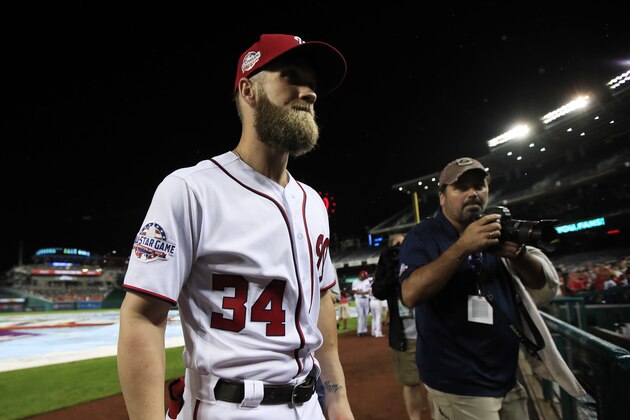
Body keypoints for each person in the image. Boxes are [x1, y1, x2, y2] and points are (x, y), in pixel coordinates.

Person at [117, 33, 354, 420]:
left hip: (309, 404)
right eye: (290, 76)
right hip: (228, 406)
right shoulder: (191, 189)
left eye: (312, 84)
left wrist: (338, 399)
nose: (308, 92)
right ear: (248, 90)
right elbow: (143, 315)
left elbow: (323, 298)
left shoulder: (313, 202)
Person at [399, 157, 586, 420]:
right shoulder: (424, 235)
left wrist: (519, 255)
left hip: (507, 375)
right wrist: (463, 247)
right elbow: (410, 294)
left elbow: (542, 287)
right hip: (458, 382)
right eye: (461, 187)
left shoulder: (497, 228)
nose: (473, 193)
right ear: (442, 196)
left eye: (479, 185)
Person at [372, 233, 432, 420]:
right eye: (398, 245)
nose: (403, 248)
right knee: (411, 383)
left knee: (434, 384)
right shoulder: (390, 266)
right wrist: (391, 264)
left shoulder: (421, 258)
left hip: (431, 333)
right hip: (406, 337)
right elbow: (379, 291)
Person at [352, 270, 372, 337]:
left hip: (366, 299)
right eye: (365, 276)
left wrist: (362, 292)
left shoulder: (367, 281)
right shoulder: (355, 282)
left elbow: (369, 291)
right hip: (358, 299)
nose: (366, 278)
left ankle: (364, 330)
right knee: (360, 315)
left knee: (365, 315)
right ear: (361, 276)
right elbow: (355, 291)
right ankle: (359, 331)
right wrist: (364, 292)